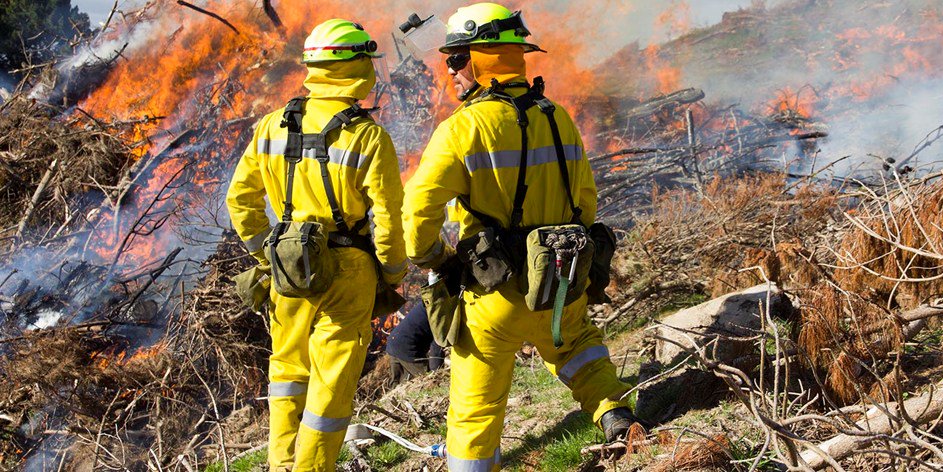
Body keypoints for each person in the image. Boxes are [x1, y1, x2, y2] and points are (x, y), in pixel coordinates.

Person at [402, 3, 643, 470]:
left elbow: (417, 211)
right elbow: (586, 202)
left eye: (456, 59)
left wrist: (436, 258)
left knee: (475, 407)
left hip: (495, 296)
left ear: (482, 58)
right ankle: (614, 413)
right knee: (577, 347)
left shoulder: (462, 128)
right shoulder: (558, 116)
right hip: (560, 279)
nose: (449, 69)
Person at [225, 19, 407, 471]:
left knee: (287, 375)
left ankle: (282, 466)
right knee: (331, 385)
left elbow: (240, 198)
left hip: (287, 268)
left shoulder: (271, 126)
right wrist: (393, 273)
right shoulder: (367, 135)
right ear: (357, 67)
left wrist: (266, 251)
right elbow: (386, 218)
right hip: (350, 270)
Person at [385, 302, 447, 384]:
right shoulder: (442, 310)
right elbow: (437, 347)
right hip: (407, 347)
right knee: (427, 382)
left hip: (394, 341)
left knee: (397, 386)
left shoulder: (429, 300)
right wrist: (436, 375)